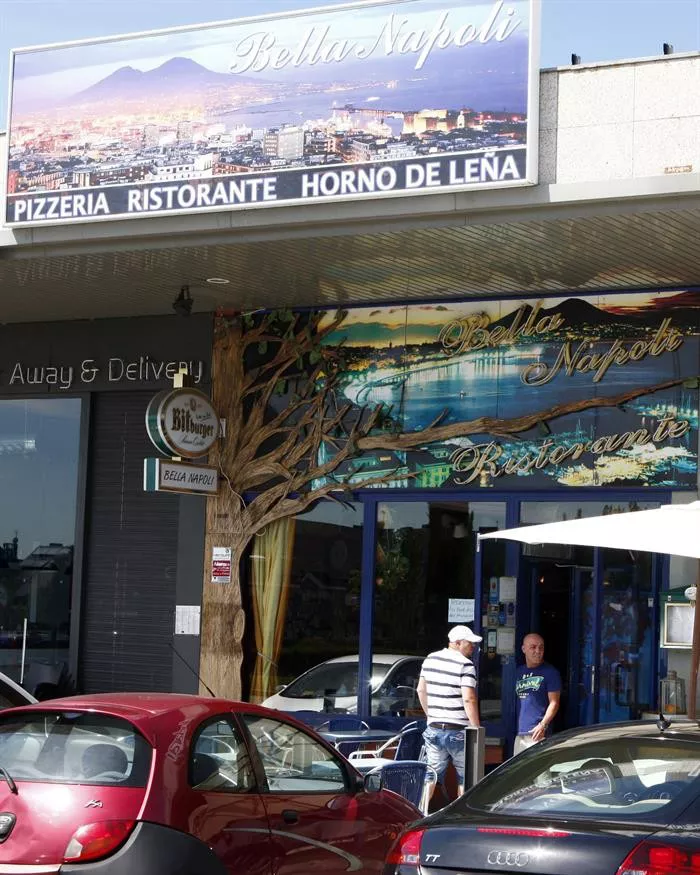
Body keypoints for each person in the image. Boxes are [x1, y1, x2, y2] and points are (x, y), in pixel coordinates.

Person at [417, 624, 482, 797]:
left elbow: (420, 690)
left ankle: (421, 814)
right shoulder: (466, 664)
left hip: (434, 727)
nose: (473, 647)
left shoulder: (430, 659)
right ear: (458, 642)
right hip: (458, 730)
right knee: (465, 776)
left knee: (430, 775)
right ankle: (460, 817)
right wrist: (476, 728)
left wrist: (430, 715)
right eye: (470, 643)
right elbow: (469, 698)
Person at [513, 633, 561, 756]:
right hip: (520, 733)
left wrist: (543, 725)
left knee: (541, 774)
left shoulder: (550, 672)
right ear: (524, 649)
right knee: (519, 773)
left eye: (541, 647)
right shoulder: (519, 671)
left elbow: (554, 703)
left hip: (538, 733)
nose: (538, 651)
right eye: (533, 647)